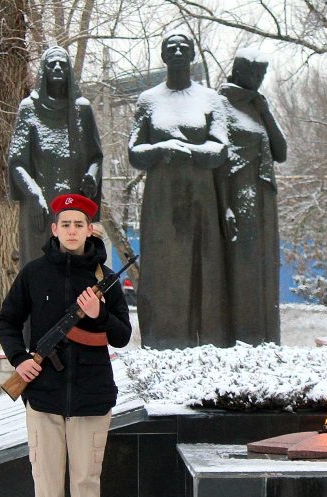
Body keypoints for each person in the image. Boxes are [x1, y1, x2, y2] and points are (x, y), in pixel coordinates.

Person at [0, 194, 132, 497]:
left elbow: (122, 335)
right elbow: (7, 321)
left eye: (79, 224)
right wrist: (20, 360)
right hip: (43, 394)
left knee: (86, 476)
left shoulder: (104, 279)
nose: (72, 231)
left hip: (92, 392)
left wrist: (98, 313)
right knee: (48, 475)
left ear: (90, 230)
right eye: (66, 224)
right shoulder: (34, 273)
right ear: (55, 230)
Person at [128, 32, 231, 349]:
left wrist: (187, 152)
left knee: (203, 268)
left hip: (200, 198)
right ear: (163, 55)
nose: (176, 51)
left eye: (183, 47)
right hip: (161, 201)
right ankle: (162, 339)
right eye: (170, 47)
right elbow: (134, 151)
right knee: (163, 271)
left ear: (191, 56)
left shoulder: (210, 99)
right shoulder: (148, 100)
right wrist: (161, 149)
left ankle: (206, 342)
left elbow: (221, 149)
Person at [8, 46, 103, 269]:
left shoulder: (82, 111)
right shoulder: (29, 109)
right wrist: (33, 195)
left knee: (77, 272)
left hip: (74, 206)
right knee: (39, 272)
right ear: (44, 71)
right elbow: (17, 163)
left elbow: (96, 157)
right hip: (40, 209)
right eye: (52, 64)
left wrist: (91, 175)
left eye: (63, 64)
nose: (58, 68)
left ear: (69, 71)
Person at [218, 49, 288, 345]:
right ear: (240, 72)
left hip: (262, 198)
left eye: (262, 75)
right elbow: (218, 160)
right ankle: (241, 337)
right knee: (243, 268)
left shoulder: (258, 106)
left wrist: (266, 110)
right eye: (254, 74)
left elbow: (281, 151)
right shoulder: (221, 104)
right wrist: (223, 207)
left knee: (264, 265)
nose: (258, 80)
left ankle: (267, 338)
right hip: (237, 196)